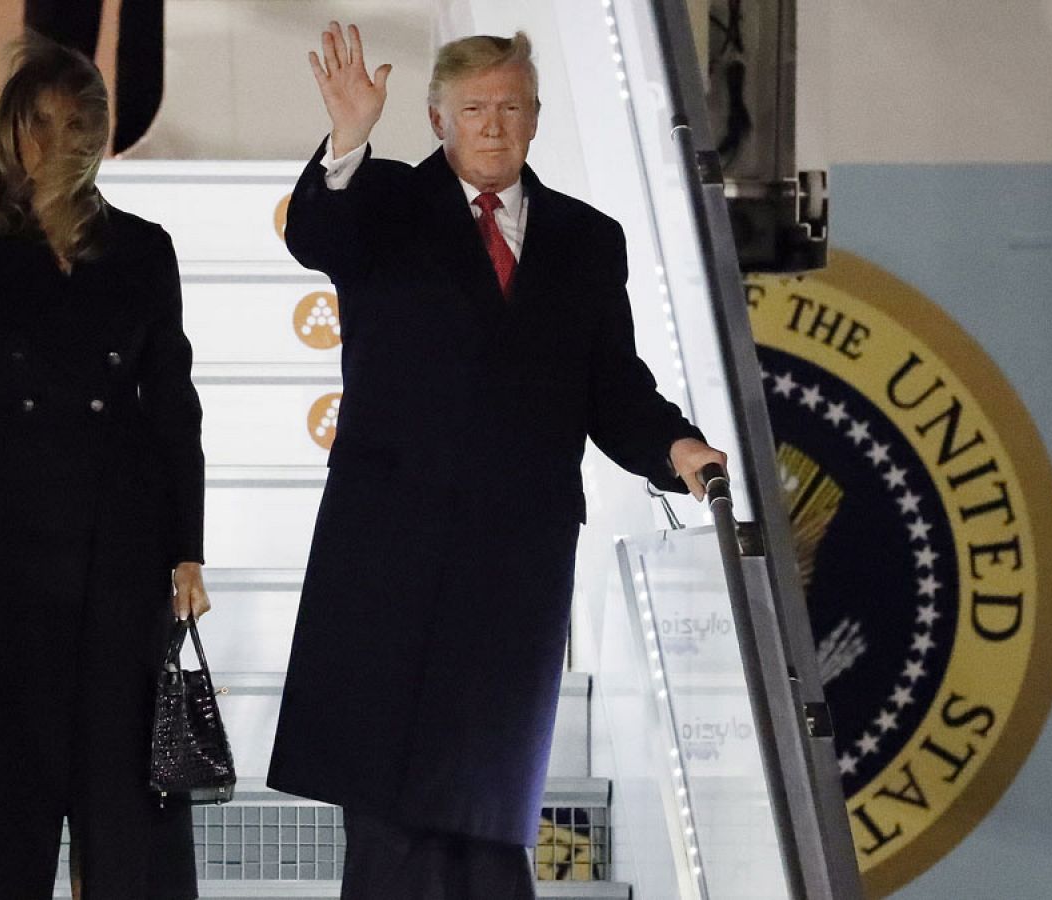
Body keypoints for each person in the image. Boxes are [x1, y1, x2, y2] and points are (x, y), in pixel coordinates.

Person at [266, 23, 729, 900]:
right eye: (474, 107)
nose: (493, 124)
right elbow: (317, 234)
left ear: (536, 118)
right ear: (438, 118)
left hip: (512, 569)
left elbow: (614, 388)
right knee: (389, 818)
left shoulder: (589, 241)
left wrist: (677, 450)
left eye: (510, 106)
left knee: (485, 818)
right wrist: (352, 137)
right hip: (388, 562)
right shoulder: (386, 204)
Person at [0, 33, 208, 900]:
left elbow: (173, 405)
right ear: (10, 134)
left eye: (68, 123)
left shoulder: (144, 248)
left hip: (117, 549)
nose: (49, 141)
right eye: (34, 123)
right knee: (2, 791)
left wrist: (188, 549)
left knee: (117, 787)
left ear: (96, 135)